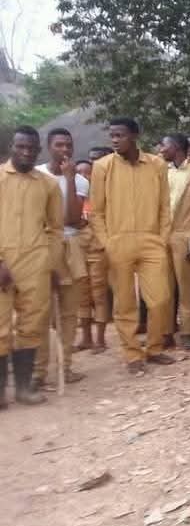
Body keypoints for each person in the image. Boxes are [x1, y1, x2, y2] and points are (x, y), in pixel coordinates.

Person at [90, 117, 175, 375]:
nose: (115, 140)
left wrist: (161, 238)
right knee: (125, 302)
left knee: (160, 299)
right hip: (118, 241)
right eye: (112, 135)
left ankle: (155, 347)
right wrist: (107, 243)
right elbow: (96, 211)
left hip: (152, 241)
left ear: (135, 135)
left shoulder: (157, 164)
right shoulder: (103, 167)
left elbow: (164, 207)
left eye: (120, 135)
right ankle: (132, 354)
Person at [0, 126, 63, 407]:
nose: (26, 152)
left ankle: (24, 389)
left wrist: (49, 264)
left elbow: (55, 229)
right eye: (20, 146)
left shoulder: (47, 184)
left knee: (31, 325)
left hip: (35, 262)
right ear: (11, 147)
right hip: (2, 261)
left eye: (31, 148)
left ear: (39, 150)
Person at [33, 128, 90, 388]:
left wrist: (68, 178)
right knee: (41, 312)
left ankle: (65, 367)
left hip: (71, 247)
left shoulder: (79, 181)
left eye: (68, 145)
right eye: (59, 145)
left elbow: (72, 219)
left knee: (68, 312)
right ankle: (39, 372)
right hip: (41, 247)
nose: (65, 150)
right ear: (48, 146)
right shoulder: (36, 176)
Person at [160, 134, 190, 351]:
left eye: (165, 145)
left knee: (187, 288)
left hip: (187, 235)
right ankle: (166, 331)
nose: (161, 149)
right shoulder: (164, 173)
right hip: (164, 237)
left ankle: (188, 331)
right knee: (164, 288)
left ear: (177, 148)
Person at [75, 147, 112, 353]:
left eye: (87, 172)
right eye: (79, 173)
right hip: (78, 251)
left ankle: (100, 339)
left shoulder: (102, 198)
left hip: (98, 250)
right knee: (82, 295)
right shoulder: (74, 200)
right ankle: (86, 338)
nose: (83, 176)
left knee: (99, 294)